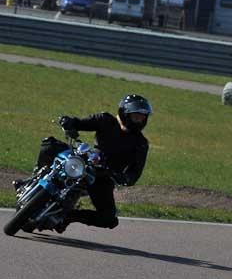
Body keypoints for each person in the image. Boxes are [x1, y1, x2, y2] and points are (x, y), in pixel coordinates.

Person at [13, 95, 152, 232]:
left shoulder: (141, 144)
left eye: (142, 117)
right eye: (136, 116)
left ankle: (68, 216)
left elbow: (135, 173)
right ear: (124, 113)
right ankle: (33, 178)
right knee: (49, 144)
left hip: (104, 176)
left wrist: (124, 177)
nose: (139, 120)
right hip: (85, 160)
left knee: (109, 218)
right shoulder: (105, 120)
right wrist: (68, 122)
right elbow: (80, 123)